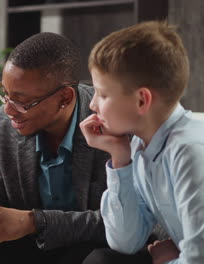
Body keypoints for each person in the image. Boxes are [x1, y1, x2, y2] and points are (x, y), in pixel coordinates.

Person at [0, 32, 114, 264]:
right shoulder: (6, 123)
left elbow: (119, 222)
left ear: (65, 98)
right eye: (5, 94)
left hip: (93, 246)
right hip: (35, 246)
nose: (8, 111)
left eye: (22, 101)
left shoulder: (110, 122)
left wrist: (33, 221)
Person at [80, 21, 204, 264]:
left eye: (102, 94)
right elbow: (125, 242)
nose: (93, 105)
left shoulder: (189, 152)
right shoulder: (139, 145)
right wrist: (120, 159)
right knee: (100, 260)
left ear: (141, 101)